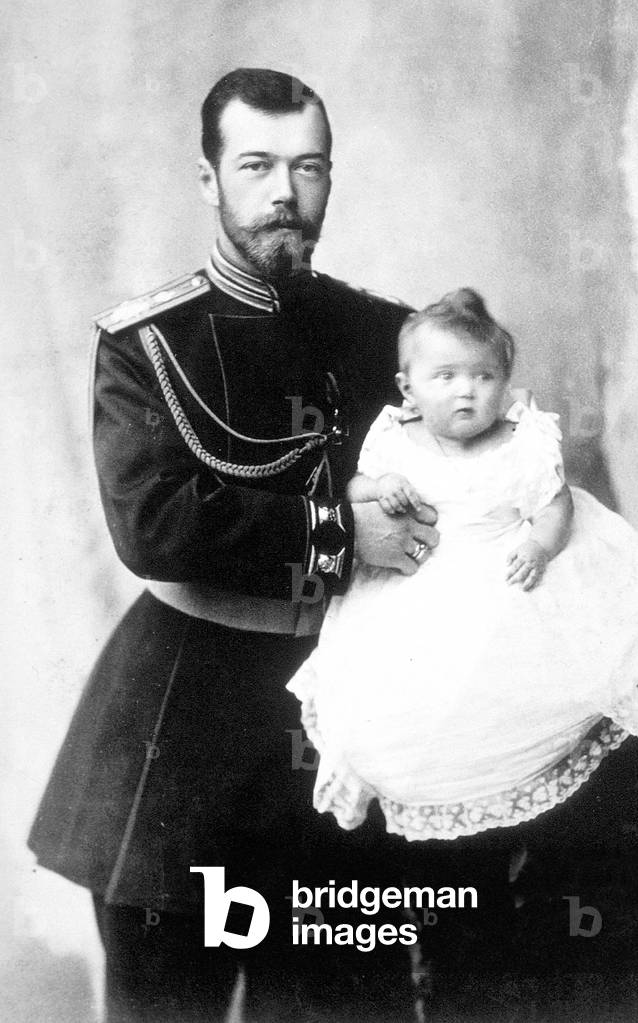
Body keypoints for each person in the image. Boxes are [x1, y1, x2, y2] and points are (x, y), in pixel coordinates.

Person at [27, 68, 441, 1023]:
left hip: (346, 718)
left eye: (309, 167)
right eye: (256, 165)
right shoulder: (148, 341)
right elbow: (154, 523)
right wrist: (343, 532)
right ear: (209, 178)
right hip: (183, 727)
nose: (284, 193)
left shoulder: (386, 334)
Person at [287, 287, 638, 839]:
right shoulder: (394, 440)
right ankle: (428, 780)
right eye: (445, 378)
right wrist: (381, 487)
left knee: (511, 672)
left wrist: (540, 545)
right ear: (409, 388)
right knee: (393, 696)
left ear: (504, 381)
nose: (466, 393)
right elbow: (352, 488)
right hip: (417, 582)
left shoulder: (523, 441)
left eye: (483, 377)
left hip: (501, 568)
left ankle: (510, 794)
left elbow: (554, 504)